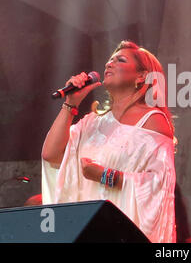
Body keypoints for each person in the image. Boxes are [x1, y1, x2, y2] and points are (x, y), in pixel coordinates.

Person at [41, 40, 176, 243]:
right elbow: (50, 154)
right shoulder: (92, 122)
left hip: (121, 234)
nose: (108, 64)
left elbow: (160, 184)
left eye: (120, 60)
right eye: (109, 60)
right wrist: (71, 104)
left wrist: (107, 176)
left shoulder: (152, 121)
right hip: (88, 231)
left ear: (141, 76)